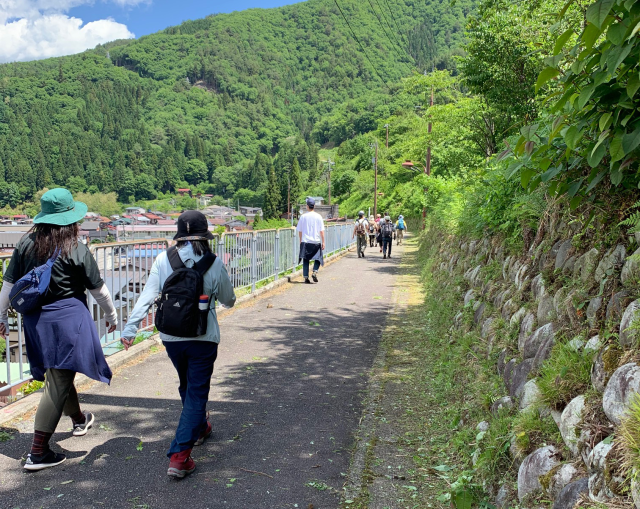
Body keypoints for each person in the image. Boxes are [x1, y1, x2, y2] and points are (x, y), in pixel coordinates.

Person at [0, 188, 118, 471]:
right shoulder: (75, 247)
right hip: (68, 320)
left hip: (35, 321)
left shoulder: (25, 244)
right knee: (58, 379)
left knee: (58, 373)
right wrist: (112, 314)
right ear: (70, 218)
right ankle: (38, 452)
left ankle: (79, 419)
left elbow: (7, 287)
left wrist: (2, 317)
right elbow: (98, 290)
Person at [122, 210, 236, 479]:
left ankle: (200, 427)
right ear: (205, 236)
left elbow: (148, 295)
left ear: (179, 235)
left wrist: (130, 329)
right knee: (196, 392)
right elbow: (229, 300)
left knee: (187, 384)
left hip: (171, 338)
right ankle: (179, 457)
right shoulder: (214, 262)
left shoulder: (163, 259)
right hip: (203, 338)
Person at [296, 197, 325, 284]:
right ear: (314, 206)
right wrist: (323, 242)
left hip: (305, 241)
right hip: (316, 241)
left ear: (307, 206)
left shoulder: (303, 217)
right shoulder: (319, 216)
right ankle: (315, 271)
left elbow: (300, 231)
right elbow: (322, 231)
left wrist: (301, 241)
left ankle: (306, 277)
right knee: (318, 258)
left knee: (306, 259)